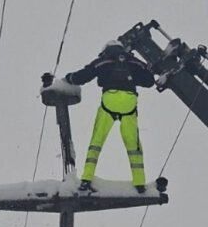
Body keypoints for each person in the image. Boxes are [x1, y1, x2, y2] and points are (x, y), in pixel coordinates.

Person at [65, 40, 155, 193]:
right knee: (133, 145)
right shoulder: (134, 61)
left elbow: (83, 76)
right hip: (129, 103)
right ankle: (140, 183)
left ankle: (86, 179)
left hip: (109, 102)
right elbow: (149, 81)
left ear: (106, 49)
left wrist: (69, 78)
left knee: (96, 141)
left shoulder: (104, 60)